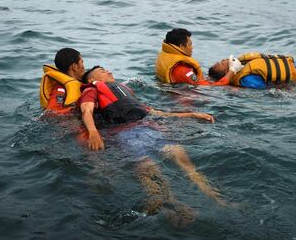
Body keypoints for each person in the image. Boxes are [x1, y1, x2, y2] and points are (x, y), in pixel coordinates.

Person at [78, 65, 224, 225]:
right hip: (126, 133)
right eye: (102, 71)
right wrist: (93, 132)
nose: (108, 71)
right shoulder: (91, 89)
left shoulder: (123, 90)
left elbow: (154, 112)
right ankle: (170, 204)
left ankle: (216, 197)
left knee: (180, 156)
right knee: (149, 166)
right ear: (92, 79)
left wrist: (191, 114)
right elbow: (86, 110)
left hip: (149, 127)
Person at [207, 51, 296, 88]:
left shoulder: (244, 62)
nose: (225, 60)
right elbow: (269, 88)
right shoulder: (246, 79)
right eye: (222, 63)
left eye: (223, 60)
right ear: (228, 72)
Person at [155, 28, 228, 86]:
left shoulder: (164, 56)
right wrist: (232, 71)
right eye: (190, 45)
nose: (192, 47)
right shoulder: (183, 71)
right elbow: (210, 87)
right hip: (179, 102)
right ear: (181, 47)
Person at [39, 47, 86, 113]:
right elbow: (51, 114)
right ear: (74, 66)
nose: (84, 67)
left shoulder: (79, 83)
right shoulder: (61, 90)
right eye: (82, 62)